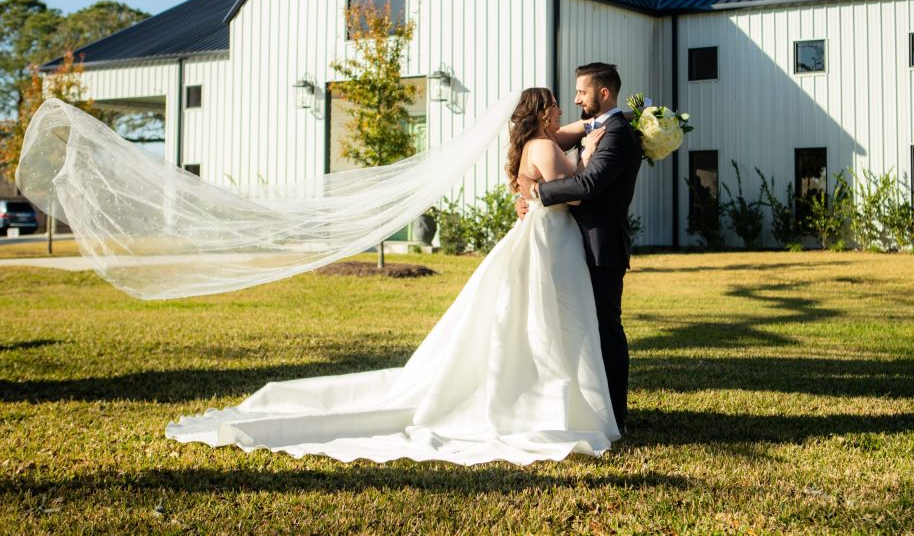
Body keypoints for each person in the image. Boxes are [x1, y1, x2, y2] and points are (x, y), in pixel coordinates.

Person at [166, 87, 620, 466]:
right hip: (550, 238)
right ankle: (549, 404)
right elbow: (576, 192)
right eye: (555, 105)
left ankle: (549, 398)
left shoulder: (533, 144)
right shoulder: (544, 146)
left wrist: (595, 127)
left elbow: (566, 142)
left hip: (536, 235)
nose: (563, 109)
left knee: (532, 321)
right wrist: (593, 152)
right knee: (551, 322)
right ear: (542, 113)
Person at [516, 63, 643, 432]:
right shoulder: (594, 127)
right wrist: (522, 189)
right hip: (569, 243)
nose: (574, 100)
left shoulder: (618, 134)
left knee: (604, 330)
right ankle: (576, 408)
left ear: (603, 94)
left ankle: (613, 414)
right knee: (570, 329)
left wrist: (538, 194)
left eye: (581, 92)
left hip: (598, 246)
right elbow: (535, 152)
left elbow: (587, 187)